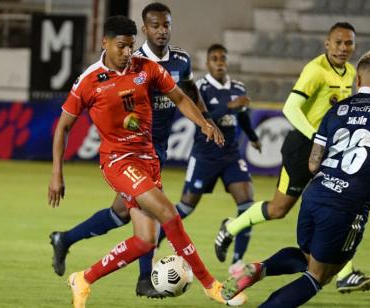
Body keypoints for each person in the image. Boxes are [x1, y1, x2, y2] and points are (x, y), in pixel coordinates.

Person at [220, 50, 370, 307]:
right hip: (347, 206)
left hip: (315, 194)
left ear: (358, 80)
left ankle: (259, 268)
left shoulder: (338, 108)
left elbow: (313, 162)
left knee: (308, 257)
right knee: (319, 276)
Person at [48, 15, 246, 307]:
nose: (128, 53)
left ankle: (84, 278)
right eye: (121, 47)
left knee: (145, 241)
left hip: (148, 159)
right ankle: (210, 285)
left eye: (131, 47)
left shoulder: (147, 68)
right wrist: (57, 173)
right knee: (169, 214)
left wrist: (203, 123)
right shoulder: (89, 80)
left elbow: (179, 98)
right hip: (118, 161)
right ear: (105, 43)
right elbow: (63, 127)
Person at [214, 22, 370, 292]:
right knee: (279, 209)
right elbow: (291, 108)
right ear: (326, 43)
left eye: (348, 43)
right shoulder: (316, 70)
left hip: (327, 152)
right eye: (338, 42)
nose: (343, 48)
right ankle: (231, 228)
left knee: (337, 204)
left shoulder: (350, 72)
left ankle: (345, 273)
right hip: (302, 148)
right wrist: (317, 137)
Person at [164, 43, 262, 273]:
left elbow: (243, 117)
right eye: (214, 58)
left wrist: (253, 137)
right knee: (186, 208)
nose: (219, 62)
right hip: (205, 155)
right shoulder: (200, 88)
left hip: (230, 155)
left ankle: (237, 261)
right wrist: (229, 106)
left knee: (247, 205)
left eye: (223, 58)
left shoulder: (238, 87)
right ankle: (155, 240)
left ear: (227, 62)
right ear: (207, 63)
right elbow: (199, 116)